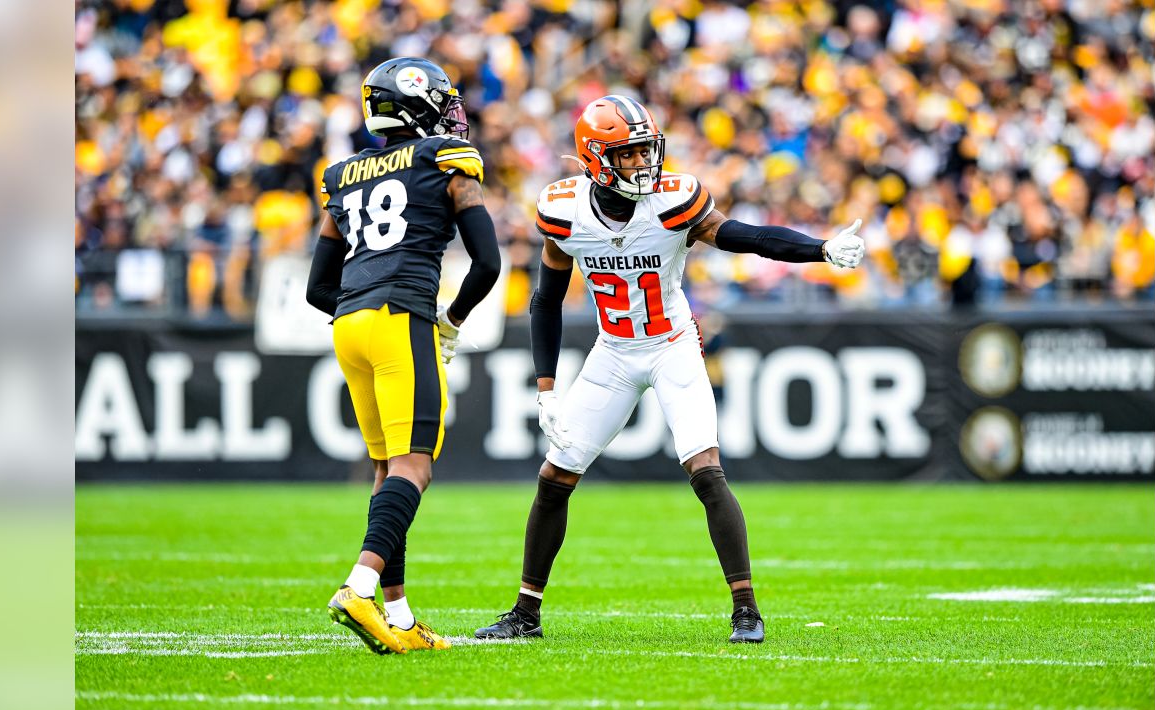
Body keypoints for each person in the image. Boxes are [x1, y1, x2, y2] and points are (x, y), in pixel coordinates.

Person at [474, 95, 864, 644]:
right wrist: (545, 388)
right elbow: (546, 300)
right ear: (595, 157)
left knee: (705, 470)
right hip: (613, 351)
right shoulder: (564, 210)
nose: (642, 163)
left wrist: (821, 249)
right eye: (629, 154)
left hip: (671, 344)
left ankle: (746, 610)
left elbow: (745, 238)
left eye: (645, 151)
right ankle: (524, 614)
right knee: (555, 476)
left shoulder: (674, 201)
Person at [306, 57, 501, 654]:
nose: (450, 114)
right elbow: (488, 263)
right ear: (416, 105)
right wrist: (450, 319)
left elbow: (318, 288)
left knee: (388, 468)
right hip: (400, 319)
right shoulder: (444, 160)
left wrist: (365, 301)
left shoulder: (342, 174)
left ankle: (399, 615)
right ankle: (360, 586)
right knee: (415, 466)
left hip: (349, 325)